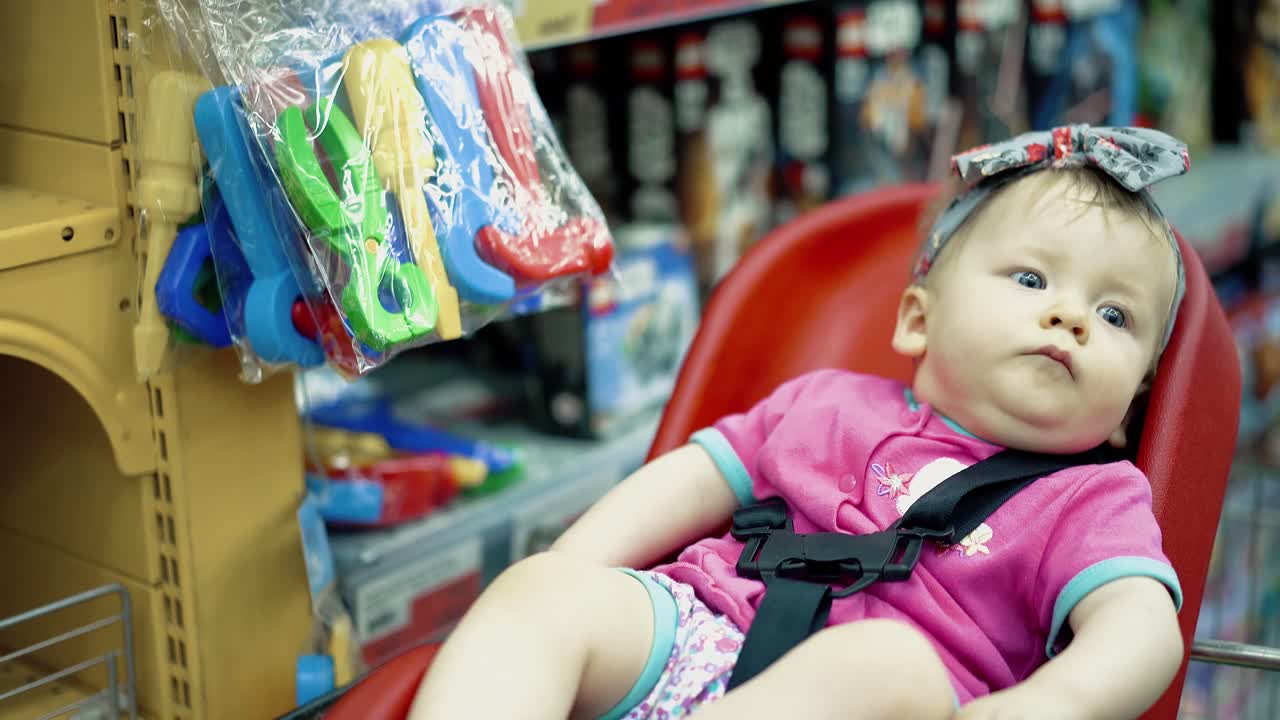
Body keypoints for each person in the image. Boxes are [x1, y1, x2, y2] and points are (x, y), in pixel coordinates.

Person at [407, 125, 1192, 720]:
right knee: (542, 591)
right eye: (1031, 277)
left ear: (1132, 402)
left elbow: (1144, 631)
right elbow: (691, 479)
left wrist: (1030, 709)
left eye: (1115, 314)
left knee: (886, 664)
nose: (1070, 316)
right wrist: (575, 567)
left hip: (894, 698)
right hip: (698, 634)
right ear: (918, 319)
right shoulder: (824, 403)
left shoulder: (1093, 500)